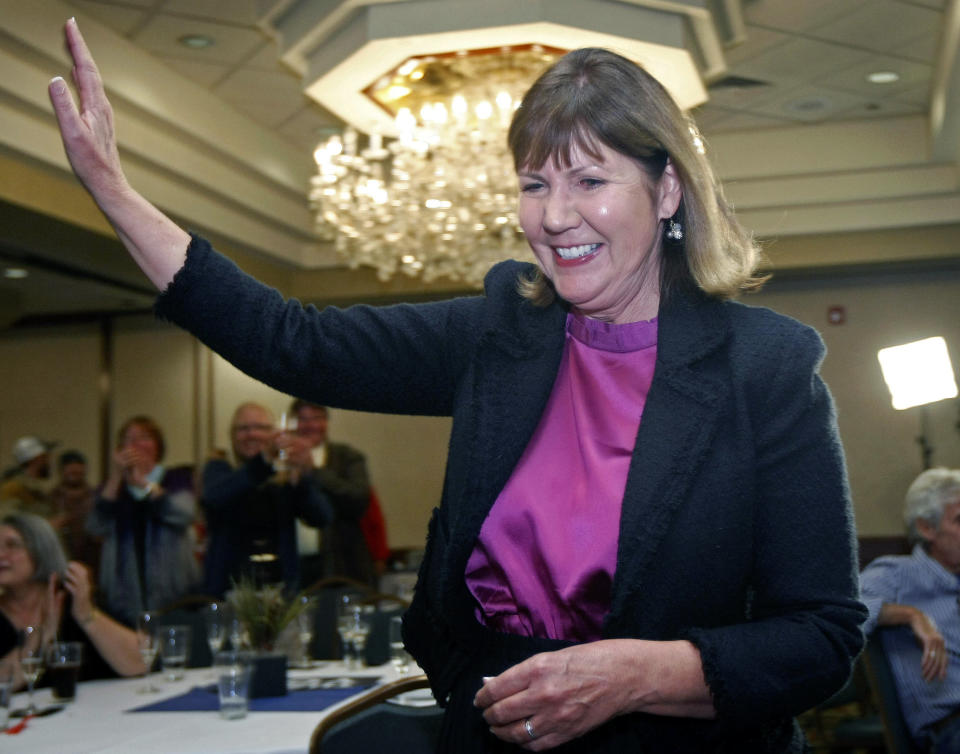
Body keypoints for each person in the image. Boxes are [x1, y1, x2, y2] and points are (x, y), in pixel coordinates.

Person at [49, 23, 866, 753]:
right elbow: (290, 339)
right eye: (534, 184)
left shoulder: (764, 368)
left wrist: (637, 674)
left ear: (668, 191)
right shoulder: (502, 329)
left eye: (588, 181)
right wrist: (116, 195)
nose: (553, 217)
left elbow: (823, 639)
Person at [860, 468, 960, 752]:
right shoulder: (897, 573)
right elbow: (847, 610)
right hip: (950, 727)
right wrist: (913, 615)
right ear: (927, 528)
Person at [0, 512, 145, 689]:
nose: (1, 554)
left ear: (41, 550)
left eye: (12, 545)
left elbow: (141, 663)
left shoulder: (75, 597)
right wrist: (42, 636)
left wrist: (87, 616)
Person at [202, 402, 333, 596]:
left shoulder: (284, 474)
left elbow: (322, 517)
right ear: (232, 435)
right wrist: (265, 460)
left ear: (274, 433)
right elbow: (214, 497)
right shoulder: (219, 468)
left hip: (281, 588)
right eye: (243, 428)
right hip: (229, 588)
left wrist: (304, 477)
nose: (251, 434)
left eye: (260, 428)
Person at [86, 415, 199, 626]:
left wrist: (143, 484)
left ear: (157, 445)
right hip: (124, 594)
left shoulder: (175, 478)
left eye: (144, 437)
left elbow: (183, 515)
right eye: (129, 439)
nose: (136, 444)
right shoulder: (112, 487)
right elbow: (95, 526)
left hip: (173, 591)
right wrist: (116, 477)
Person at [290, 400, 374, 587]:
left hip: (340, 565)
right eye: (302, 419)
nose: (310, 425)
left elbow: (359, 500)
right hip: (293, 569)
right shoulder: (282, 459)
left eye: (316, 418)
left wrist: (314, 472)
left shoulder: (347, 457)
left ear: (326, 422)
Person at [48, 449, 101, 569]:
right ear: (61, 470)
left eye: (78, 469)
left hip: (93, 564)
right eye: (69, 468)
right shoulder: (50, 499)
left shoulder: (97, 498)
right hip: (59, 563)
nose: (74, 471)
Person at [0, 436, 57, 517]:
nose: (49, 462)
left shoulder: (34, 488)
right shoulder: (13, 487)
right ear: (36, 458)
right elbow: (8, 521)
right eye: (45, 457)